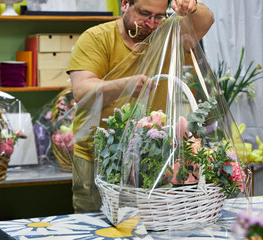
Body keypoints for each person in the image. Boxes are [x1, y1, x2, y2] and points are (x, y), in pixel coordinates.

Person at [66, 0, 214, 213]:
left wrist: (191, 6)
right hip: (95, 158)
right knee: (94, 225)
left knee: (148, 224)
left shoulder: (168, 36)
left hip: (152, 157)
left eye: (159, 16)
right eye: (144, 14)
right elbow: (81, 91)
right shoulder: (97, 38)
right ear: (125, 4)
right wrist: (124, 85)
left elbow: (206, 20)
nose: (151, 24)